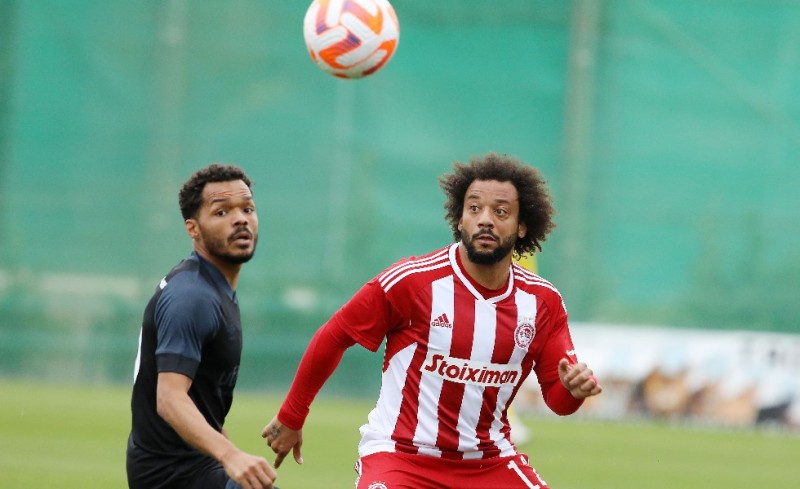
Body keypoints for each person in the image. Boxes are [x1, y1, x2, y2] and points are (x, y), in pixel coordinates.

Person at [262, 153, 602, 489]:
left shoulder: (543, 303)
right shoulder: (411, 282)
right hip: (401, 456)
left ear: (522, 226)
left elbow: (558, 400)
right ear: (460, 219)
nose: (486, 219)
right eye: (474, 208)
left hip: (488, 462)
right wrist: (292, 416)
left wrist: (573, 391)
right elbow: (335, 335)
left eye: (501, 212)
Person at [127, 164, 278, 489]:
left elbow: (201, 401)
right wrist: (230, 456)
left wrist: (230, 452)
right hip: (173, 478)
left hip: (192, 469)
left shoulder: (213, 287)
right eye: (222, 211)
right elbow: (169, 399)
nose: (240, 219)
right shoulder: (192, 297)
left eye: (247, 208)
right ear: (192, 228)